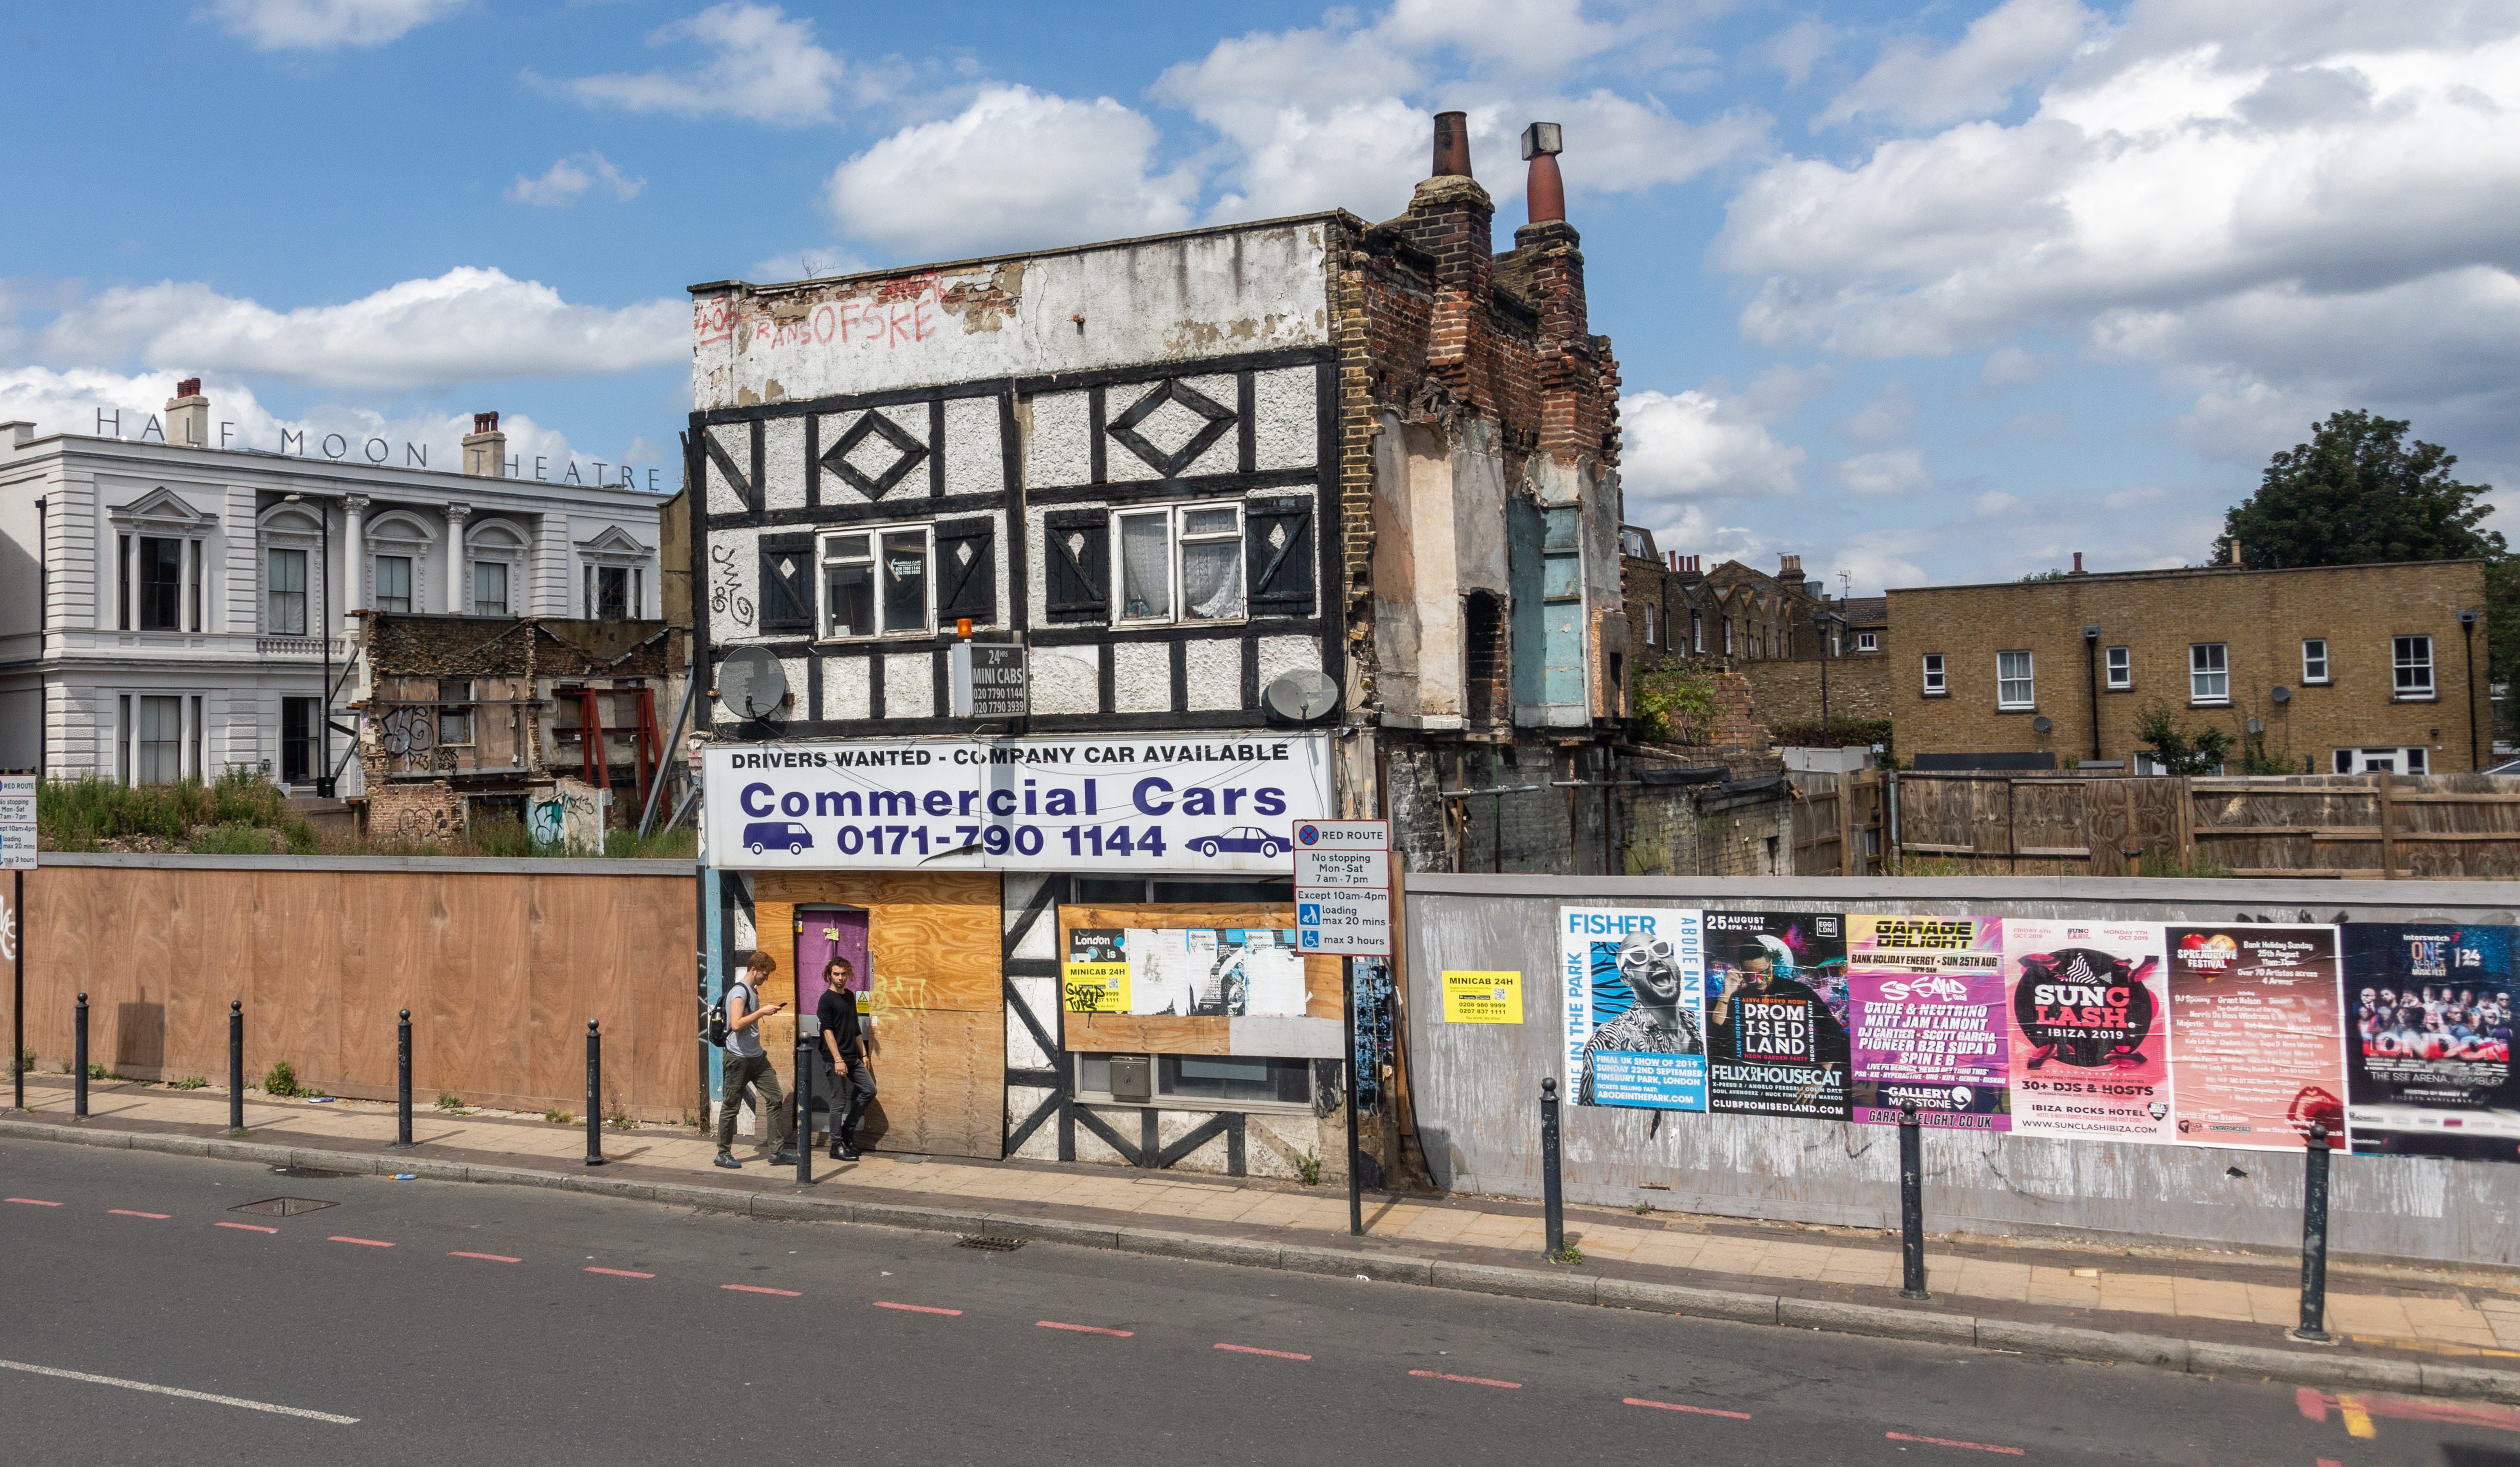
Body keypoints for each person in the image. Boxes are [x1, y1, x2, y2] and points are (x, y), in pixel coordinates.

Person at [1578, 930, 1702, 1104]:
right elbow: (1594, 1114)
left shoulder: (1693, 1024)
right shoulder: (1612, 1038)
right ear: (1626, 979)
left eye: (1660, 949)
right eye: (1638, 956)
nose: (1655, 959)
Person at [716, 950, 799, 1169]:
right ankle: (723, 1154)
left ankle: (776, 1151)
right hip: (738, 1058)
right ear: (754, 970)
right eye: (765, 973)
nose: (767, 978)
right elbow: (736, 1024)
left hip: (757, 1058)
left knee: (775, 1097)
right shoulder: (739, 992)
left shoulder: (752, 991)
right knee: (731, 1106)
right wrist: (762, 1012)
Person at [816, 957, 878, 1161]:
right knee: (839, 1101)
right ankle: (836, 1146)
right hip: (835, 1059)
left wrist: (864, 1054)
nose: (840, 978)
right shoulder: (826, 1000)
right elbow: (827, 1032)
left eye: (843, 974)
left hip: (853, 1057)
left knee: (869, 1089)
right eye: (836, 974)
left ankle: (847, 1130)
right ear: (829, 975)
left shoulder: (850, 996)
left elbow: (856, 1027)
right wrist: (837, 1059)